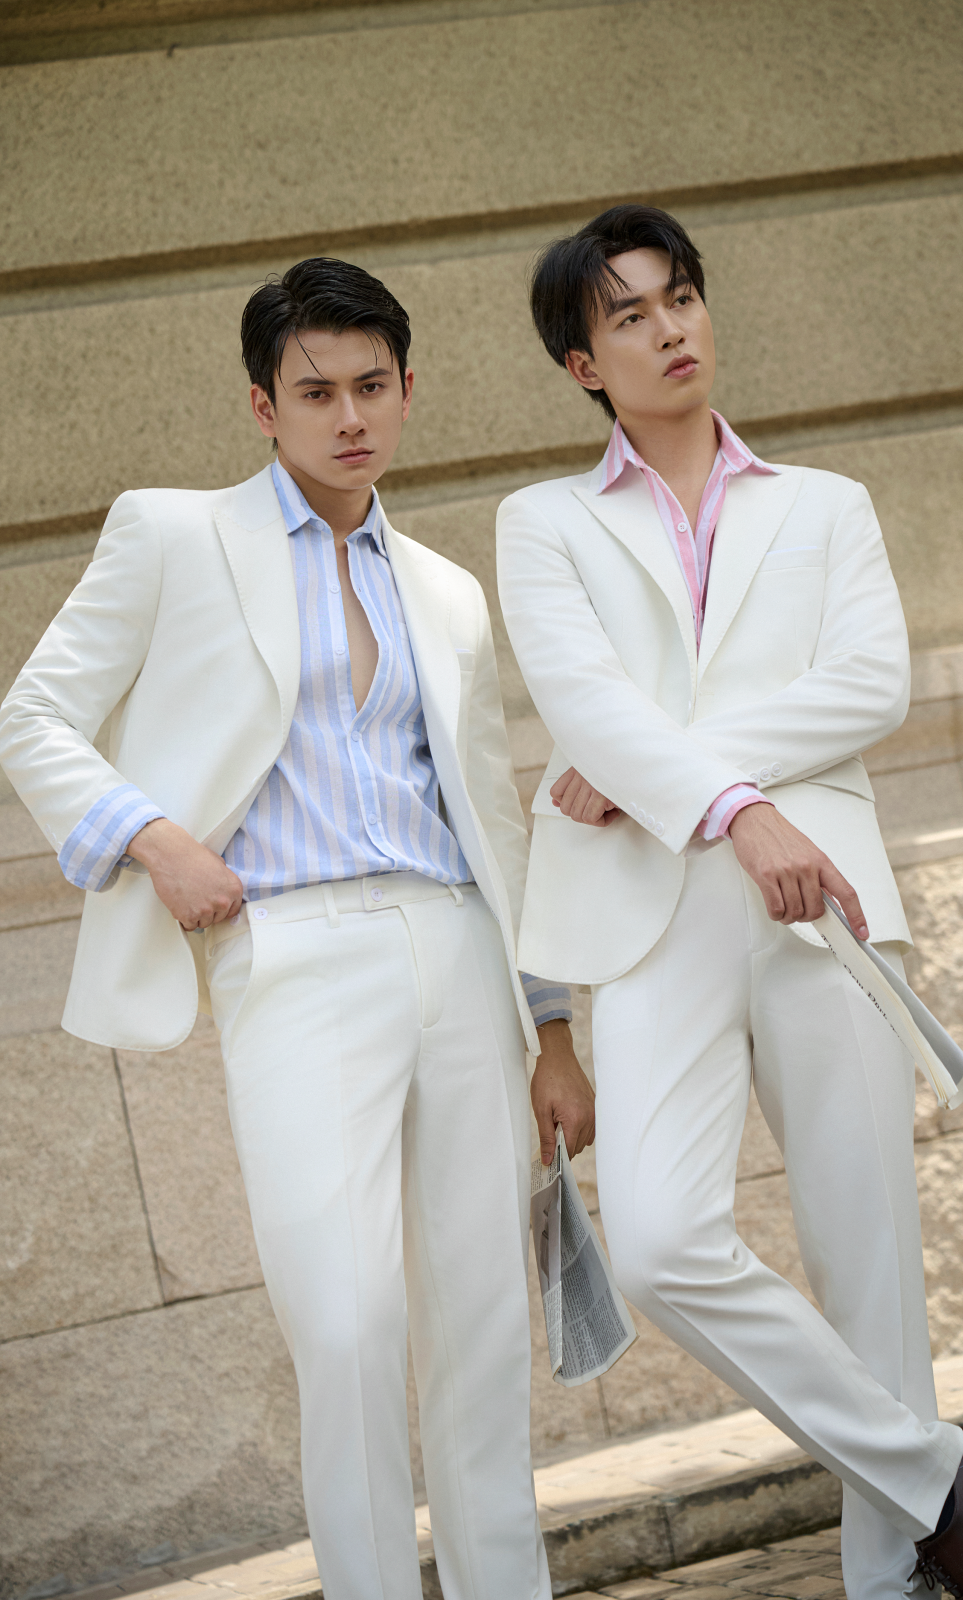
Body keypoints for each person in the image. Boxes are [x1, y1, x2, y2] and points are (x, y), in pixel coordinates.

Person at [0, 257, 595, 1600]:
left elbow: (492, 824)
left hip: (457, 948)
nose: (350, 417)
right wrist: (155, 840)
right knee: (344, 1322)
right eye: (316, 392)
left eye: (372, 387)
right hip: (295, 956)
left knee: (482, 1330)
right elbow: (31, 715)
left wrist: (550, 1025)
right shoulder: (174, 536)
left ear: (407, 390)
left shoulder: (444, 590)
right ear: (264, 406)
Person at [495, 205, 963, 1600]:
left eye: (680, 296)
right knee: (663, 1241)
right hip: (651, 919)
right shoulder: (542, 523)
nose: (668, 327)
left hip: (822, 901)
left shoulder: (824, 505)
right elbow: (579, 699)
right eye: (628, 314)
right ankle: (945, 1476)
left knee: (870, 1272)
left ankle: (892, 1581)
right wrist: (731, 802)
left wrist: (656, 765)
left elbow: (870, 686)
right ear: (583, 364)